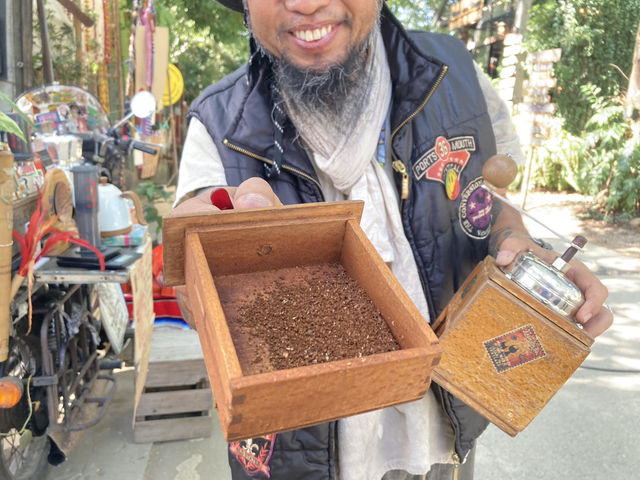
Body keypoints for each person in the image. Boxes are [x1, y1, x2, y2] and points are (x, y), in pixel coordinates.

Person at [171, 1, 613, 479]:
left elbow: (487, 198)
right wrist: (196, 267)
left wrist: (515, 243)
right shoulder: (217, 125)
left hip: (439, 429)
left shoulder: (456, 77)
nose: (305, 3)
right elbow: (197, 271)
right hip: (303, 456)